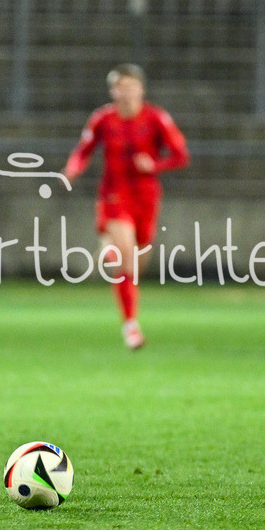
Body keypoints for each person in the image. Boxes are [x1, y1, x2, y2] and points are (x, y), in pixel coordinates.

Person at [63, 64, 190, 350]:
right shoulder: (103, 119)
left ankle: (109, 250)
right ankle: (131, 326)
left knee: (137, 261)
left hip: (145, 197)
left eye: (131, 86)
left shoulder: (156, 118)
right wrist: (72, 169)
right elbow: (82, 151)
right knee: (127, 261)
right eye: (121, 87)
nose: (127, 92)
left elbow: (181, 155)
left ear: (141, 89)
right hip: (114, 195)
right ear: (113, 91)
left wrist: (155, 165)